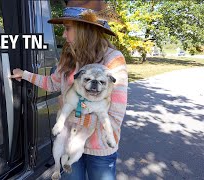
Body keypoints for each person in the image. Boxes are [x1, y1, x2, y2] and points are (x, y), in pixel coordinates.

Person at [10, 1, 128, 179]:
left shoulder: (113, 60)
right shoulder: (68, 57)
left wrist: (70, 109)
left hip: (100, 149)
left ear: (84, 29)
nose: (64, 35)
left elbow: (115, 117)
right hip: (68, 144)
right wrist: (25, 74)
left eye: (68, 28)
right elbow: (53, 83)